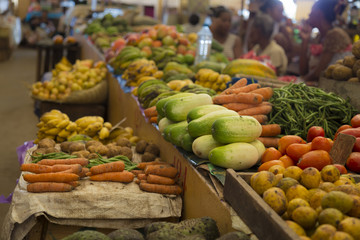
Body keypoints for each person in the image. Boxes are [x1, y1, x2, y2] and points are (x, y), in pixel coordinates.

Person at [299, 0, 351, 83]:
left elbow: (317, 73)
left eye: (311, 12)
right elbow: (303, 72)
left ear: (318, 14)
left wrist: (299, 82)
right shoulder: (318, 37)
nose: (309, 15)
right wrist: (305, 41)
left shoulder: (335, 34)